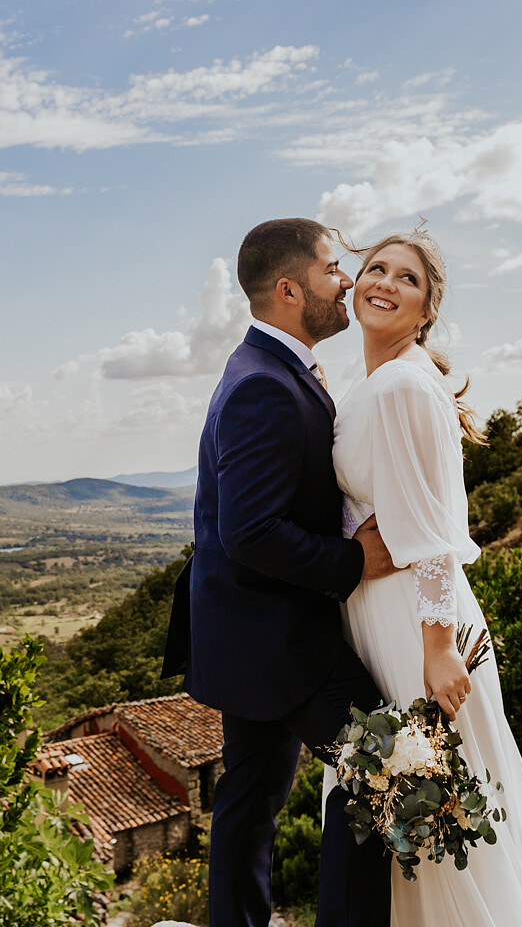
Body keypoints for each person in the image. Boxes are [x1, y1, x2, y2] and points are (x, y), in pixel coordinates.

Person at [328, 228, 522, 927]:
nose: (383, 282)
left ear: (426, 310)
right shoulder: (372, 382)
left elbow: (435, 535)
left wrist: (438, 649)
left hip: (419, 625)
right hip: (379, 616)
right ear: (353, 285)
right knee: (410, 824)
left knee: (438, 827)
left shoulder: (406, 384)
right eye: (374, 268)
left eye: (407, 278)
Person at [162, 218, 398, 927]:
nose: (350, 281)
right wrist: (354, 560)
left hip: (248, 628)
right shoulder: (263, 384)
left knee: (252, 798)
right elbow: (253, 532)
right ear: (292, 289)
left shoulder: (270, 368)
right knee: (384, 764)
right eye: (334, 269)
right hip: (278, 635)